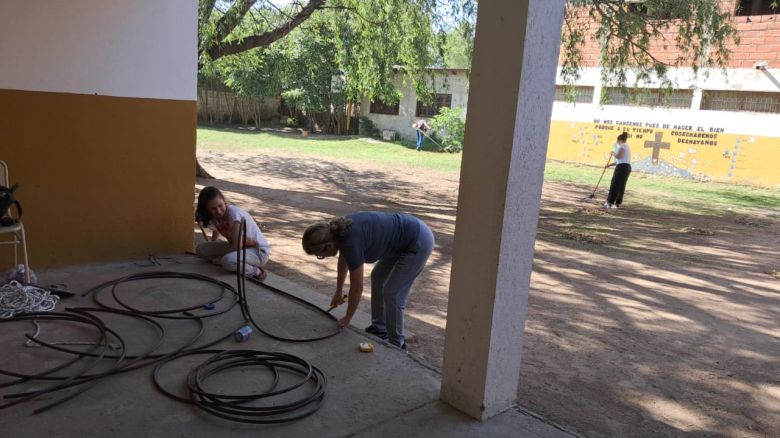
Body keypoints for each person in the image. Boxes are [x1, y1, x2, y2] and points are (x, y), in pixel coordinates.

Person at [302, 212, 434, 349]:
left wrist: (348, 317)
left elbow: (357, 287)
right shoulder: (338, 233)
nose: (322, 257)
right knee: (377, 277)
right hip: (401, 240)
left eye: (320, 256)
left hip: (417, 241)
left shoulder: (350, 242)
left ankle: (397, 344)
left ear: (329, 246)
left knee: (392, 292)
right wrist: (338, 291)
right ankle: (379, 329)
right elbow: (344, 261)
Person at [195, 186, 270, 281]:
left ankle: (257, 272)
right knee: (201, 250)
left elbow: (237, 246)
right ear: (207, 209)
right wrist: (212, 246)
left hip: (257, 252)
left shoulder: (234, 215)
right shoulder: (213, 217)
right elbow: (216, 230)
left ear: (224, 201)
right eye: (213, 209)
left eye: (220, 206)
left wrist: (220, 259)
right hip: (240, 249)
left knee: (227, 261)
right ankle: (238, 263)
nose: (218, 211)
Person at [604, 131, 632, 209]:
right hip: (626, 167)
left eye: (617, 141)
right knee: (621, 185)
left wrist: (613, 154)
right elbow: (619, 161)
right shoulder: (627, 146)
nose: (617, 142)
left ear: (620, 140)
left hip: (622, 168)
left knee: (615, 185)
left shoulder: (622, 145)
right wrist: (609, 165)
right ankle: (617, 203)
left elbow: (619, 156)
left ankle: (610, 203)